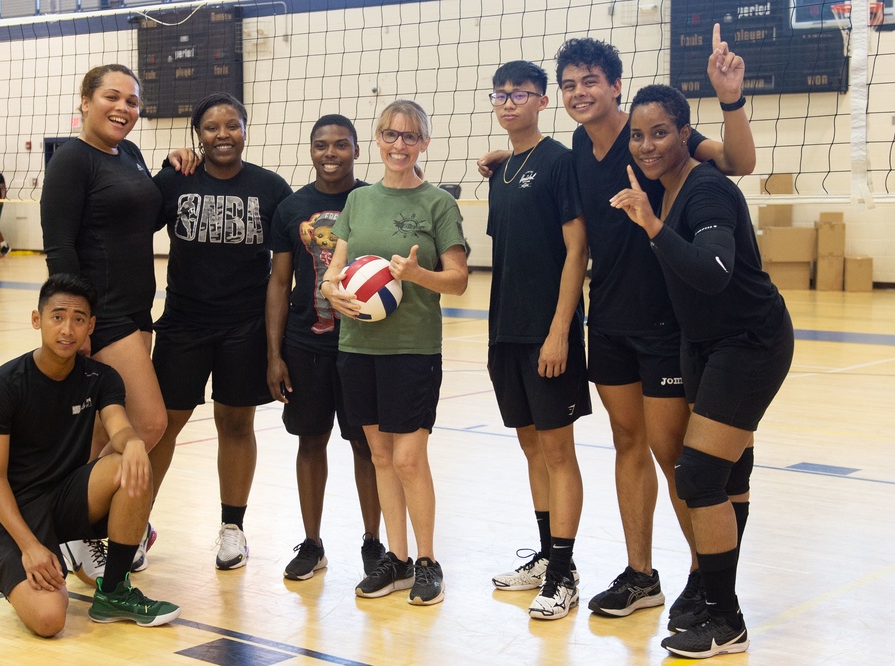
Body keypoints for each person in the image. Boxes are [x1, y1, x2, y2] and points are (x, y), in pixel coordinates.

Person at [482, 26, 757, 621]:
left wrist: (730, 97)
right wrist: (509, 157)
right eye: (570, 85)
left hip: (664, 322)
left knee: (673, 455)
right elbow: (551, 172)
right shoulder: (577, 148)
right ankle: (641, 574)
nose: (580, 92)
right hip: (606, 319)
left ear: (616, 86)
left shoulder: (651, 135)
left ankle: (701, 578)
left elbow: (738, 161)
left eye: (591, 83)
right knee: (627, 444)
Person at [612, 83, 793, 658]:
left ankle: (726, 620)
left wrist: (651, 224)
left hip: (751, 342)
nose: (647, 144)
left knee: (697, 478)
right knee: (728, 479)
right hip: (705, 345)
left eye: (660, 132)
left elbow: (714, 271)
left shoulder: (706, 190)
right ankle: (715, 601)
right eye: (638, 135)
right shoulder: (667, 186)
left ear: (686, 134)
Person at [39, 64, 195, 581]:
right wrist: (73, 323)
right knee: (147, 423)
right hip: (102, 314)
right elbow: (60, 248)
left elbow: (141, 214)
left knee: (98, 432)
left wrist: (170, 171)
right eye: (112, 97)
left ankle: (77, 523)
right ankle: (76, 528)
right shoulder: (71, 161)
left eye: (132, 100)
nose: (124, 108)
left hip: (136, 308)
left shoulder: (127, 153)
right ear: (85, 101)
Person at [0, 273, 180, 637]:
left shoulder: (101, 378)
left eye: (78, 319)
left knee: (130, 463)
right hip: (9, 513)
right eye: (57, 316)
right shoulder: (2, 386)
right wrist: (31, 547)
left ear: (91, 326)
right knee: (50, 619)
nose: (67, 329)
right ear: (37, 320)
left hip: (64, 495)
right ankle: (44, 563)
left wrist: (131, 444)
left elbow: (119, 426)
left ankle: (113, 591)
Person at [321, 99, 468, 606]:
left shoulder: (438, 204)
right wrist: (332, 290)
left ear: (423, 142)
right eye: (390, 135)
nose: (399, 145)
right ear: (378, 140)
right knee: (380, 456)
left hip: (412, 349)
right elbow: (334, 269)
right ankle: (399, 561)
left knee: (408, 459)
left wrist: (416, 276)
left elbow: (459, 279)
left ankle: (428, 561)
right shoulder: (359, 202)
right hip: (357, 346)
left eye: (410, 137)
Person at [148, 92, 293, 570]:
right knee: (162, 425)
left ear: (246, 129)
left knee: (236, 425)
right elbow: (127, 223)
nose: (223, 134)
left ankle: (233, 527)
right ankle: (134, 525)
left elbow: (287, 268)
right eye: (212, 127)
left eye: (232, 125)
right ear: (198, 136)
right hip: (184, 323)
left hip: (244, 326)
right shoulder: (175, 180)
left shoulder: (271, 188)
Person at [482, 61, 591, 621]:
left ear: (543, 101)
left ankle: (566, 571)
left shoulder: (561, 162)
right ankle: (548, 558)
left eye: (519, 94)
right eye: (499, 95)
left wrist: (559, 334)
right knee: (531, 448)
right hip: (507, 333)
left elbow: (577, 250)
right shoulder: (502, 171)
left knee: (557, 451)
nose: (508, 103)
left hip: (549, 335)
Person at [266, 114, 385, 581]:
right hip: (305, 345)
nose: (330, 153)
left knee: (366, 444)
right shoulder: (292, 207)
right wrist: (273, 354)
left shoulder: (373, 202)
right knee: (309, 441)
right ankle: (312, 543)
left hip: (361, 345)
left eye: (340, 144)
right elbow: (278, 283)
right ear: (311, 150)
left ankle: (373, 543)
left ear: (357, 149)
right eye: (321, 145)